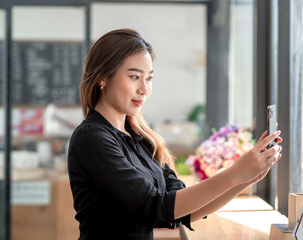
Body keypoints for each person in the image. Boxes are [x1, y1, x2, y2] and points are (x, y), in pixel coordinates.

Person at [67, 28, 282, 240]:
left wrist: (244, 179)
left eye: (149, 78)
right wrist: (235, 172)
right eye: (134, 77)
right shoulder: (91, 138)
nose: (144, 89)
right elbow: (154, 209)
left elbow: (180, 213)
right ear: (103, 77)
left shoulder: (141, 138)